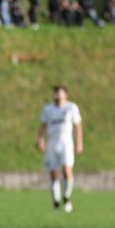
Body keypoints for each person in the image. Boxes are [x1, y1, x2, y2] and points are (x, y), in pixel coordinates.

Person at [37, 85, 83, 213]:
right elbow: (43, 125)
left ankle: (67, 197)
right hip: (52, 144)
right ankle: (56, 201)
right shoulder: (48, 108)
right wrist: (40, 139)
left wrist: (79, 143)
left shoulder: (71, 107)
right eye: (55, 93)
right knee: (53, 173)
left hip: (66, 144)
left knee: (67, 171)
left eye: (60, 93)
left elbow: (77, 126)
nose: (57, 95)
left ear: (65, 95)